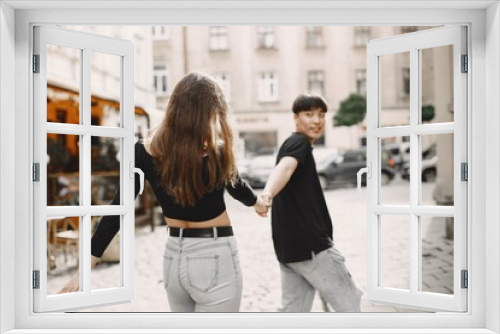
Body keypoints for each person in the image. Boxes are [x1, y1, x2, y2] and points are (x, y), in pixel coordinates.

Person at [59, 71, 269, 312]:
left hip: (173, 258)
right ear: (211, 112)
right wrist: (258, 204)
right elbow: (237, 187)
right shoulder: (217, 153)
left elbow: (116, 211)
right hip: (215, 253)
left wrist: (84, 270)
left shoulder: (142, 152)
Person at [259, 94, 363, 312]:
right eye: (309, 114)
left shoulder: (292, 144)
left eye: (321, 115)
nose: (317, 121)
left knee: (293, 315)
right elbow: (284, 168)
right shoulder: (299, 143)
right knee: (350, 303)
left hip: (290, 251)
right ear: (296, 118)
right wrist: (267, 193)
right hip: (313, 248)